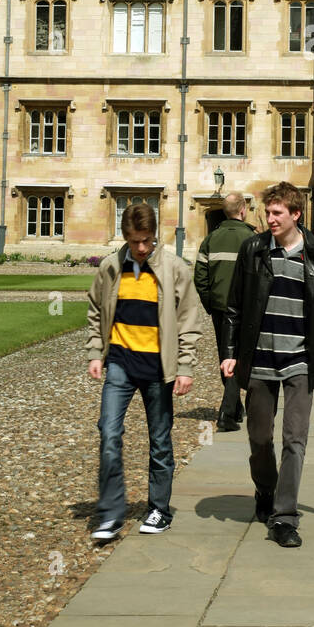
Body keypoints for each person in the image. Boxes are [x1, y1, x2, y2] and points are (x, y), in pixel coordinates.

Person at [223, 182, 314, 548]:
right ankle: (266, 490)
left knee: (294, 439)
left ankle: (284, 516)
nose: (270, 219)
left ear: (296, 215)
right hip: (259, 358)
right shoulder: (253, 249)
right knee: (259, 438)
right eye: (268, 212)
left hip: (300, 359)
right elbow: (234, 306)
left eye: (277, 213)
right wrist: (230, 351)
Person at [86, 202, 201, 541]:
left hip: (158, 368)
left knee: (160, 442)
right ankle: (110, 514)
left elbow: (188, 321)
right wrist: (96, 352)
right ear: (125, 237)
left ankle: (159, 509)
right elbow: (95, 309)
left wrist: (185, 367)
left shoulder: (175, 268)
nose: (141, 248)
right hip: (120, 363)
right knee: (108, 433)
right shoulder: (110, 267)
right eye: (135, 241)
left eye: (147, 241)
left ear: (155, 237)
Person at [194, 192, 255, 431]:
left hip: (220, 308)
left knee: (225, 356)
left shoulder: (211, 239)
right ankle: (227, 413)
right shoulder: (252, 238)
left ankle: (235, 407)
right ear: (243, 210)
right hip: (245, 310)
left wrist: (211, 302)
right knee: (240, 358)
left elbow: (200, 277)